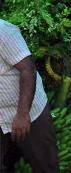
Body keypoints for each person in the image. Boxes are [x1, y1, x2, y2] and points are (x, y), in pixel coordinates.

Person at [0, 19, 59, 172]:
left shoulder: (3, 31)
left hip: (29, 114)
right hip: (1, 118)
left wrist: (22, 114)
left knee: (45, 166)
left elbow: (28, 70)